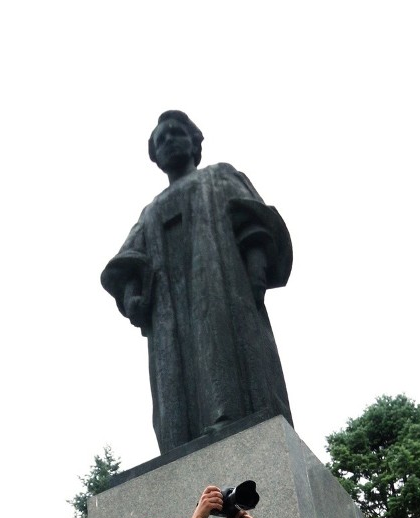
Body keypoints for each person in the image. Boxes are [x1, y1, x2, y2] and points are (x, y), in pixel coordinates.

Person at [101, 112, 294, 454]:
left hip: (221, 288)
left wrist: (256, 268)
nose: (169, 141)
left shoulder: (218, 177)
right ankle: (179, 442)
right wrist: (132, 294)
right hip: (168, 313)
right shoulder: (150, 212)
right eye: (160, 140)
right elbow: (129, 260)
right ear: (155, 156)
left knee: (221, 351)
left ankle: (229, 418)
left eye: (176, 133)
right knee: (171, 374)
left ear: (195, 142)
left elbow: (252, 223)